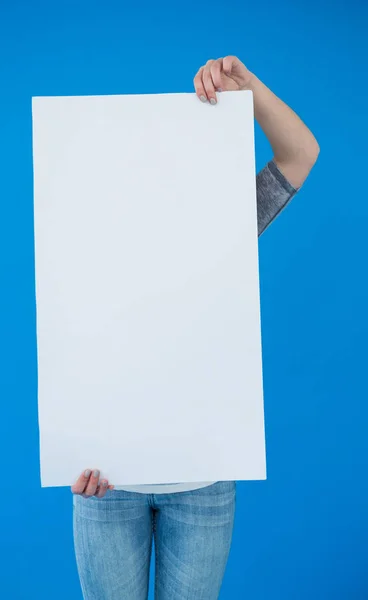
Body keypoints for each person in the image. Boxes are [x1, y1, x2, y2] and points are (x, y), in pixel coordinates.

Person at [71, 55, 319, 600]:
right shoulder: (85, 244)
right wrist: (69, 449)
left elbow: (301, 154)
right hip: (105, 484)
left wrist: (247, 87)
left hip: (203, 485)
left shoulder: (226, 225)